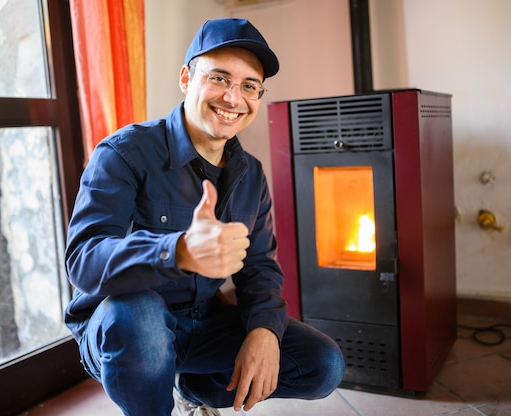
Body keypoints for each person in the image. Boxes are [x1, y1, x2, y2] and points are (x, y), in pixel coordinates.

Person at [64, 18, 345, 416]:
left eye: (250, 86)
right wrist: (175, 251)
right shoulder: (124, 153)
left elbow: (260, 266)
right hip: (124, 329)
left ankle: (193, 390)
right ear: (186, 78)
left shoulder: (250, 174)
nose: (233, 98)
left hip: (200, 324)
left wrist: (264, 329)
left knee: (323, 364)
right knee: (139, 313)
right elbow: (84, 262)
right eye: (219, 78)